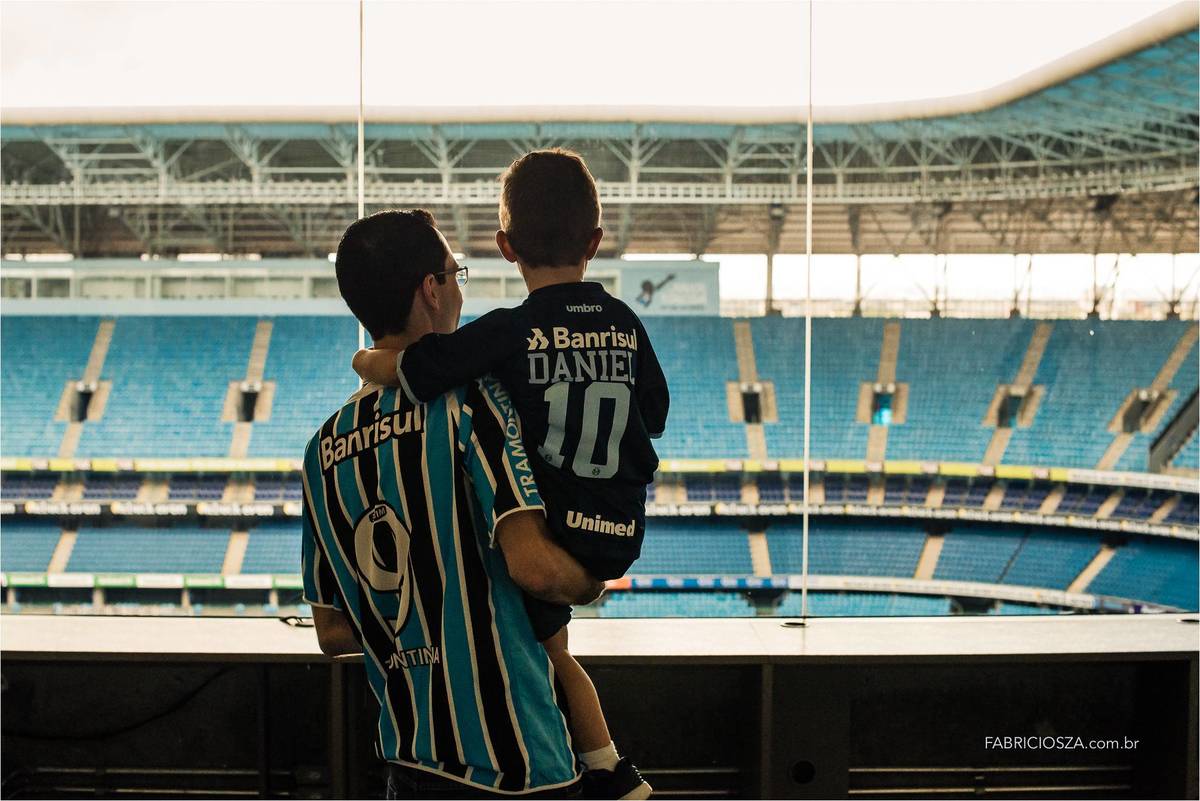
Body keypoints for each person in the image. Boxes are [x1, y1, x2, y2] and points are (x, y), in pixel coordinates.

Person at [352, 149, 668, 800]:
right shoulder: (627, 324)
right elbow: (655, 413)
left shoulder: (508, 333)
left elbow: (418, 369)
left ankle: (603, 765)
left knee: (544, 646)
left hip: (554, 538)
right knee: (558, 648)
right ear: (595, 242)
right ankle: (607, 764)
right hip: (617, 530)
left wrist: (367, 362)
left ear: (505, 247)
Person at [302, 208, 607, 799]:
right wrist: (591, 581)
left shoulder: (322, 449)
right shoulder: (472, 404)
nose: (460, 290)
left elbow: (332, 629)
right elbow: (537, 569)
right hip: (518, 765)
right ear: (431, 290)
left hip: (409, 760)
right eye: (456, 274)